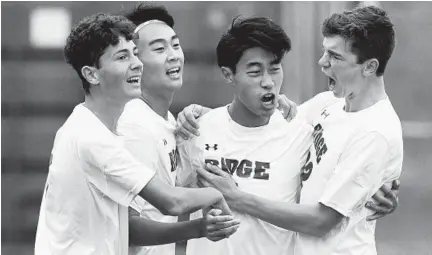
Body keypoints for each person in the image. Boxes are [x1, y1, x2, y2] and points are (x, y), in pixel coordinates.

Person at [193, 5, 403, 255]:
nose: (322, 62)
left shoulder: (373, 133)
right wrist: (206, 117)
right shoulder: (329, 104)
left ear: (369, 67)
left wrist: (235, 197)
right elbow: (266, 123)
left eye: (335, 56)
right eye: (325, 52)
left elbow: (321, 221)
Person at [34, 12, 233, 255]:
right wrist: (214, 196)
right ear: (91, 74)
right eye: (122, 57)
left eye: (134, 54)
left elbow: (171, 190)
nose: (136, 64)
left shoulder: (97, 126)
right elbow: (171, 202)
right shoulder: (95, 137)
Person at [115, 4, 239, 255]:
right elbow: (127, 227)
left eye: (175, 44)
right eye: (160, 49)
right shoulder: (134, 126)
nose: (173, 55)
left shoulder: (167, 120)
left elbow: (174, 192)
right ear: (134, 63)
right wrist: (200, 227)